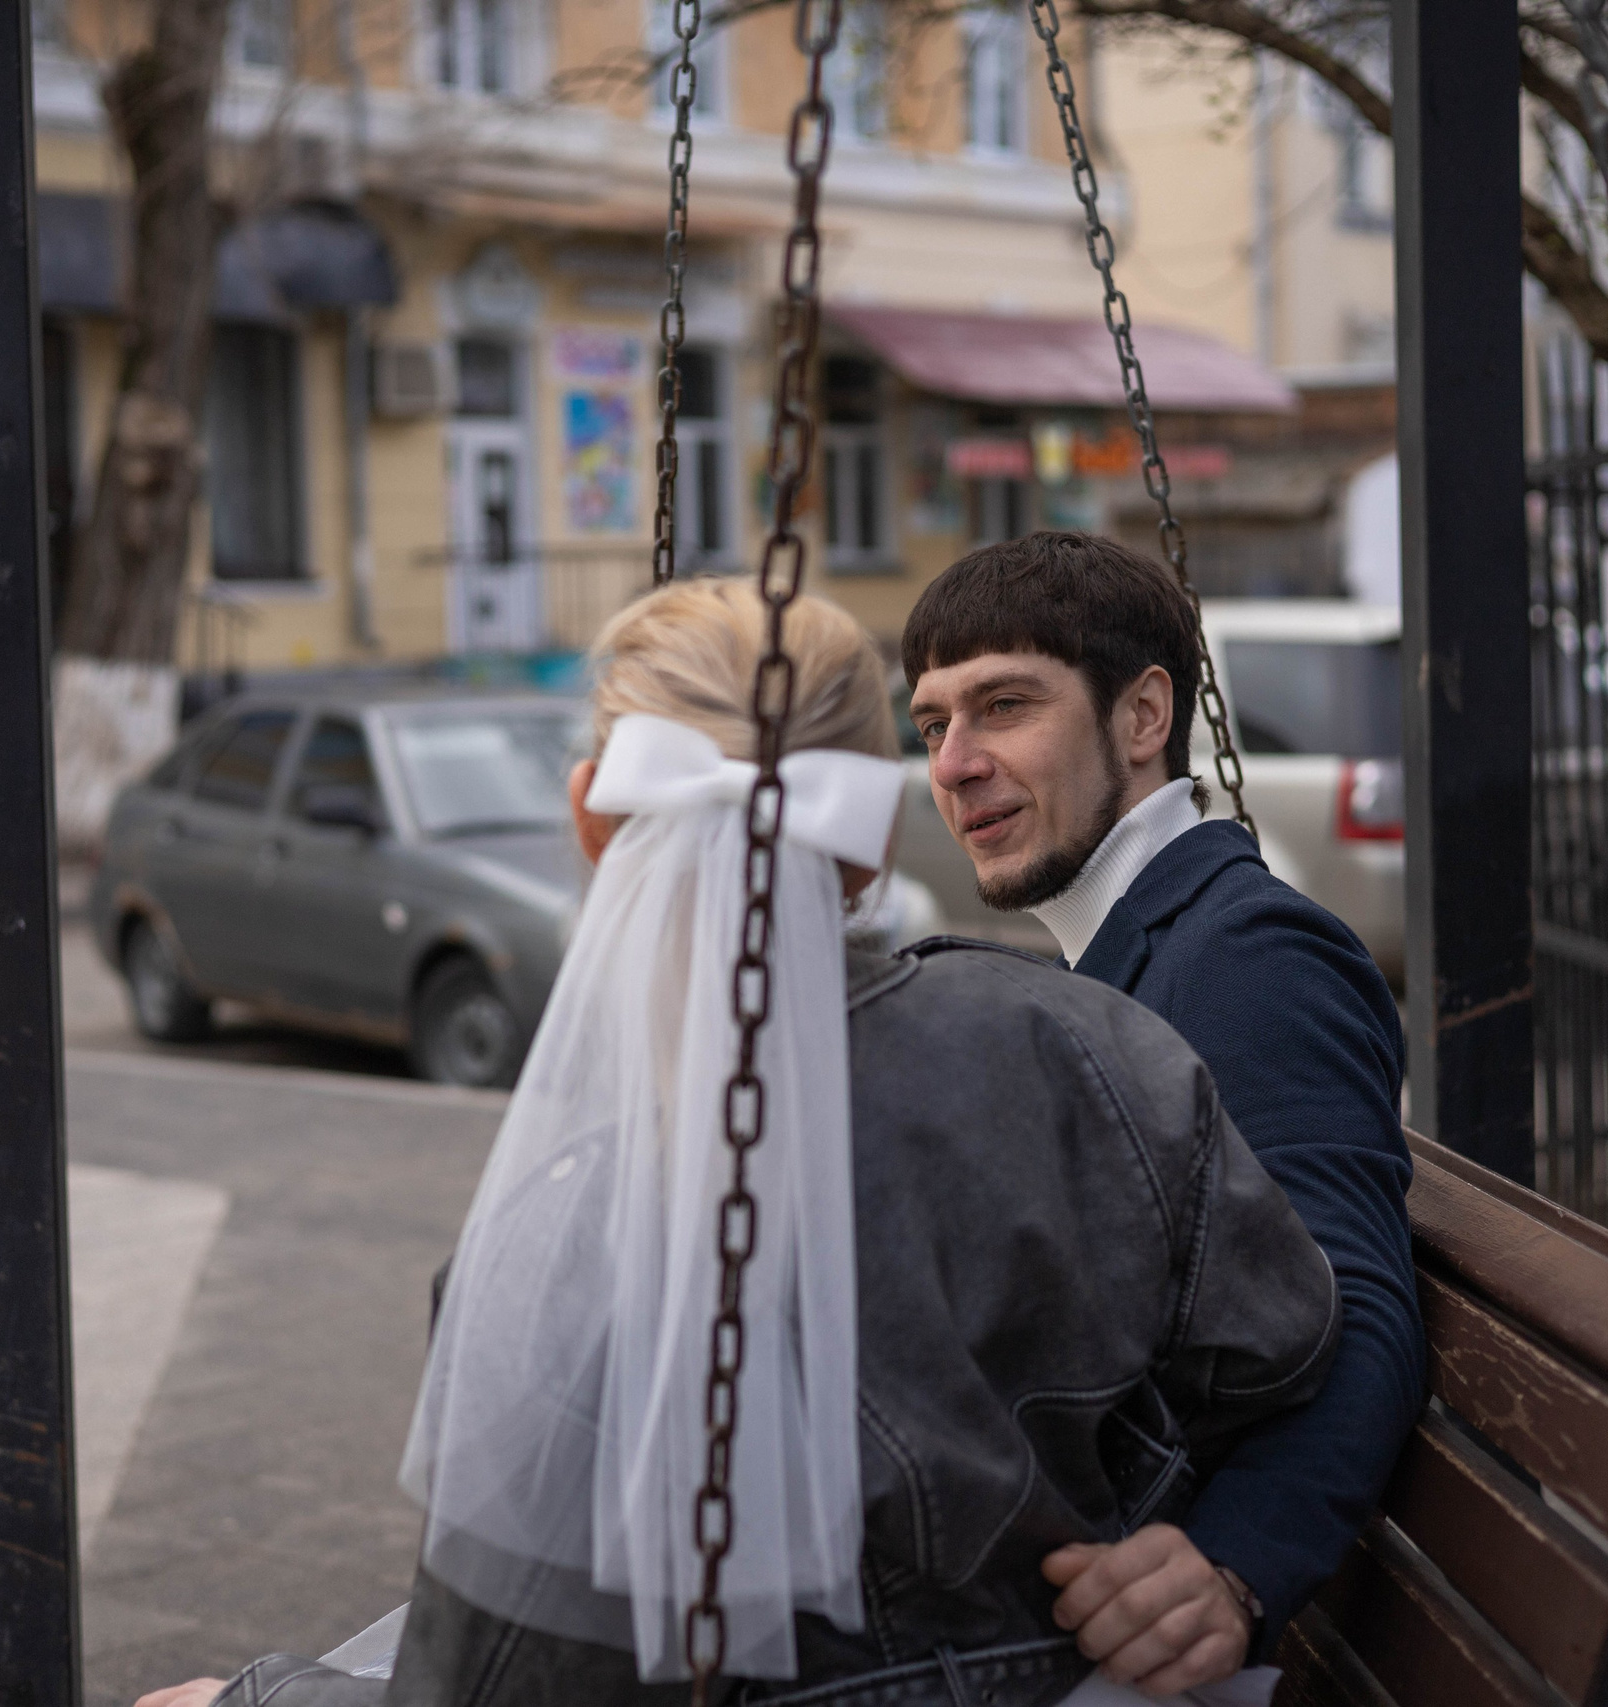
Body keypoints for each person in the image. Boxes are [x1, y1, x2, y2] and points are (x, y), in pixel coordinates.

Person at [138, 579, 1340, 1707]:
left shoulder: (563, 1236)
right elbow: (1277, 1351)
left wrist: (251, 1696)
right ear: (865, 846)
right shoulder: (1083, 1049)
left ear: (591, 817)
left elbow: (499, 1686)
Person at [900, 531, 1425, 1684]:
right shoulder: (1136, 952)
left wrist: (1233, 1567)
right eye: (933, 723)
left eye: (1002, 706)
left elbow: (1357, 1298)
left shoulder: (1246, 956)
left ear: (1142, 719)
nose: (953, 762)